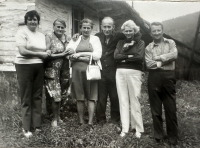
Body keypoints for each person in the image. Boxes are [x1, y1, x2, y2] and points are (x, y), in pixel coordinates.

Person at [95, 17, 142, 125]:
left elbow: (138, 34)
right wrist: (76, 37)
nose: (107, 29)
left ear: (113, 27)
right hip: (101, 70)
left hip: (114, 70)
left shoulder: (119, 36)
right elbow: (86, 39)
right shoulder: (97, 36)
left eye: (109, 26)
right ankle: (100, 120)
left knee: (114, 96)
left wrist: (132, 42)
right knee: (101, 97)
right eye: (105, 26)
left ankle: (115, 120)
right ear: (101, 27)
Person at [15, 10, 49, 138]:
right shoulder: (21, 32)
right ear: (26, 21)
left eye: (35, 19)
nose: (33, 21)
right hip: (24, 66)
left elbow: (46, 48)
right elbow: (23, 51)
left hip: (38, 66)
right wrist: (40, 54)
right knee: (26, 97)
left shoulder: (41, 35)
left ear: (38, 21)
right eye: (30, 19)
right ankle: (26, 128)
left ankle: (36, 125)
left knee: (37, 96)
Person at [145, 22, 178, 146]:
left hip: (168, 77)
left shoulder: (170, 43)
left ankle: (172, 137)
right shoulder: (148, 47)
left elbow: (174, 55)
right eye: (154, 31)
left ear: (162, 31)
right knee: (156, 109)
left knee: (170, 108)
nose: (157, 33)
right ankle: (158, 134)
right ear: (151, 33)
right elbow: (149, 64)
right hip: (154, 77)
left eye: (159, 30)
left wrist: (158, 58)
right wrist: (165, 59)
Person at [66, 18, 102, 127]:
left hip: (91, 71)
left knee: (91, 96)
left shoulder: (95, 39)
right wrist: (85, 56)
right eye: (84, 27)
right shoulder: (75, 39)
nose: (86, 30)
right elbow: (68, 54)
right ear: (80, 28)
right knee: (79, 96)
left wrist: (80, 55)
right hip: (77, 71)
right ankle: (81, 121)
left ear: (91, 29)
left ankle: (90, 122)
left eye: (88, 28)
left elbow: (97, 55)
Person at [114, 20, 145, 138]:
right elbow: (116, 56)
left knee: (135, 99)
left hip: (135, 72)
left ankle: (138, 128)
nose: (128, 33)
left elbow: (139, 57)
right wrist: (129, 56)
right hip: (120, 72)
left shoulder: (140, 42)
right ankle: (125, 128)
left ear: (134, 31)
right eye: (126, 31)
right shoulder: (120, 42)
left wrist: (124, 58)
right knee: (123, 99)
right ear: (123, 31)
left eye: (130, 30)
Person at [44, 19, 74, 127]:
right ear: (53, 27)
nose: (60, 29)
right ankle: (54, 119)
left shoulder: (67, 38)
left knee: (63, 93)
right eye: (58, 26)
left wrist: (71, 51)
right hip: (52, 70)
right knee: (55, 94)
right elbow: (47, 54)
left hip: (64, 69)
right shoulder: (49, 36)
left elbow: (72, 48)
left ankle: (58, 116)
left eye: (62, 27)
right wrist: (62, 54)